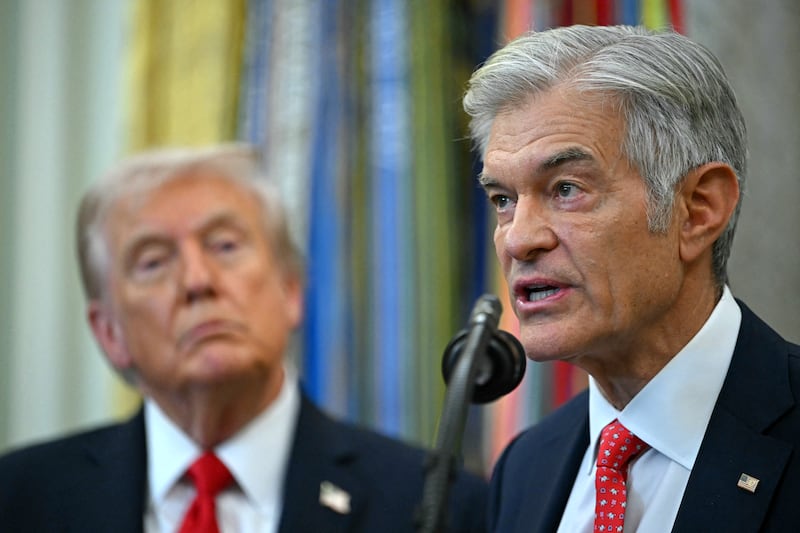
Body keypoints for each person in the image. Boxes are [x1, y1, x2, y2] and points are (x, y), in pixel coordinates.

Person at [0, 145, 488, 532]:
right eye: (153, 261)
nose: (197, 280)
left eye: (224, 245)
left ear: (290, 289)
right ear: (109, 333)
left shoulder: (433, 505)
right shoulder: (20, 499)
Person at [462, 24, 800, 533]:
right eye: (503, 200)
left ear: (698, 209)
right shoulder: (526, 468)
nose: (517, 240)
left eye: (566, 188)